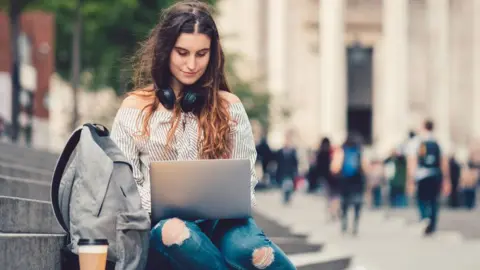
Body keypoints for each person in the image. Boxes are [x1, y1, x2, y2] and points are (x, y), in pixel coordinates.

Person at [110, 2, 295, 269]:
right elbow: (123, 188)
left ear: (213, 55)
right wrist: (170, 205)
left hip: (225, 223)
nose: (191, 64)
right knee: (176, 233)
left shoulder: (229, 107)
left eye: (201, 54)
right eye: (182, 53)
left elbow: (246, 179)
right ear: (166, 50)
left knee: (254, 253)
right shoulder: (134, 109)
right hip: (162, 225)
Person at [407, 120, 451, 235]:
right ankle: (432, 224)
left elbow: (412, 162)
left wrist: (410, 180)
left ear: (422, 127)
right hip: (435, 174)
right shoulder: (439, 141)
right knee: (434, 200)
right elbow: (444, 162)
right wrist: (446, 180)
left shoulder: (416, 141)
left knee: (421, 199)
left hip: (421, 175)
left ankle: (424, 218)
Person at [331, 132, 369, 235]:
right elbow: (365, 168)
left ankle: (345, 223)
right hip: (357, 182)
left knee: (345, 204)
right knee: (357, 204)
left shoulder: (341, 151)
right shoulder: (359, 151)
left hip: (345, 182)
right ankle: (355, 225)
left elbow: (335, 168)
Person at [275, 131, 299, 204]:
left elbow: (295, 163)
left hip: (290, 172)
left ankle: (287, 197)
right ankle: (285, 198)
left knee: (289, 185)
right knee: (284, 185)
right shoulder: (280, 151)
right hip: (282, 171)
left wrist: (296, 171)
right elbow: (278, 161)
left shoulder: (293, 151)